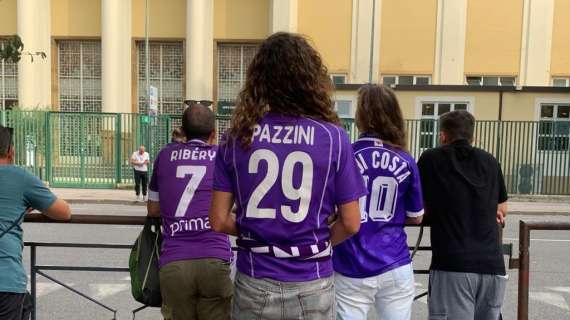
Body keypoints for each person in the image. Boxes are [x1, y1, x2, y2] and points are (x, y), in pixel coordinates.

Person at [209, 32, 367, 320]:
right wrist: (311, 244)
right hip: (313, 279)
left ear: (259, 80)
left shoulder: (237, 137)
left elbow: (218, 219)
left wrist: (254, 233)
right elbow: (352, 223)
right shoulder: (333, 137)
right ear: (310, 79)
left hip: (255, 277)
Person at [333, 84, 424, 320]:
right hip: (394, 260)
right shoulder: (405, 159)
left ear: (361, 117)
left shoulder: (345, 156)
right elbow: (416, 215)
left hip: (349, 263)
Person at [417, 110, 508, 320]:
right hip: (493, 267)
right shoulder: (490, 162)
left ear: (442, 136)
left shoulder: (431, 159)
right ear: (472, 137)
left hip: (453, 266)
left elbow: (415, 205)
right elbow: (502, 209)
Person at [147, 105, 233, 320]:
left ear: (182, 132)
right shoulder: (222, 157)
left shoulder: (164, 156)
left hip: (174, 260)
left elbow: (153, 208)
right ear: (213, 134)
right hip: (215, 257)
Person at [0, 125, 71, 320]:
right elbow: (64, 212)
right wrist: (23, 204)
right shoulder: (20, 177)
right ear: (10, 151)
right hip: (6, 282)